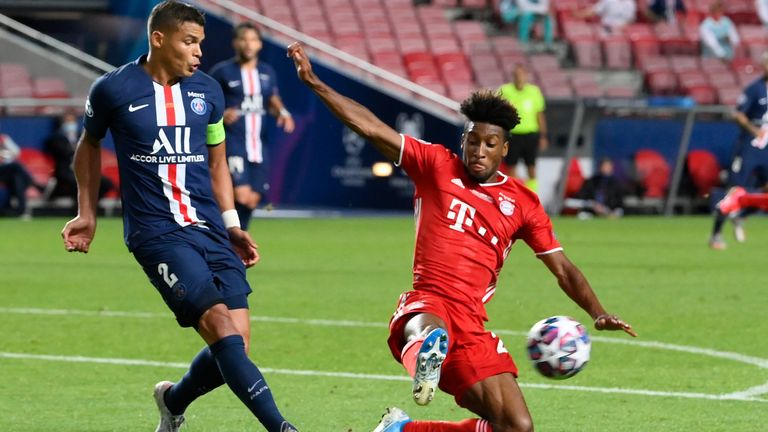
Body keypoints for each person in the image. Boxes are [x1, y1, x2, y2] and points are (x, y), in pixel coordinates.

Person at [288, 41, 636, 432]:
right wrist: (316, 83)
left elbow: (562, 268)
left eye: (490, 144)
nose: (479, 151)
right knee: (429, 329)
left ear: (504, 148)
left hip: (472, 323)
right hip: (429, 300)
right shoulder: (436, 165)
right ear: (463, 140)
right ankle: (426, 354)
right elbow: (370, 127)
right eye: (473, 140)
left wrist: (597, 311)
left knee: (516, 427)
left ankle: (400, 429)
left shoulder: (523, 203)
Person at [60, 2, 298, 431]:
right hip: (156, 232)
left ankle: (172, 401)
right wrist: (86, 212)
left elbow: (218, 162)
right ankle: (283, 427)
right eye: (189, 42)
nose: (198, 53)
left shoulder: (208, 90)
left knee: (237, 341)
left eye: (200, 44)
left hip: (209, 227)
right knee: (221, 328)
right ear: (159, 39)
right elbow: (89, 145)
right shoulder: (113, 89)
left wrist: (231, 224)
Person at [209, 22, 294, 231]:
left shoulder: (266, 72)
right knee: (241, 195)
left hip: (259, 145)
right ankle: (226, 237)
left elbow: (272, 99)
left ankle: (235, 241)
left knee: (252, 200)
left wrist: (282, 113)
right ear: (235, 43)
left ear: (260, 45)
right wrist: (220, 115)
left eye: (253, 40)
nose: (248, 44)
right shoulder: (222, 72)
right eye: (243, 39)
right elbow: (206, 102)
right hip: (233, 143)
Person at [709, 52, 768, 250]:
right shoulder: (755, 89)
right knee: (734, 190)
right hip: (749, 146)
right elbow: (739, 115)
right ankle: (716, 234)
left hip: (767, 147)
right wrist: (754, 130)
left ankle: (741, 215)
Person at [44, 112, 115, 205]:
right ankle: (79, 211)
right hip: (66, 173)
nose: (71, 124)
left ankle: (91, 206)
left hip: (83, 171)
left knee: (106, 183)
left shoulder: (81, 137)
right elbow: (63, 153)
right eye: (68, 121)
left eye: (72, 121)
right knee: (76, 183)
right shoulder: (56, 139)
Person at [498, 63, 547, 191]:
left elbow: (539, 114)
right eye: (516, 75)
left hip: (530, 135)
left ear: (526, 76)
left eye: (521, 75)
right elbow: (498, 112)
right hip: (512, 134)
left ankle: (533, 196)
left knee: (531, 166)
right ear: (513, 76)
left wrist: (543, 136)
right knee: (511, 167)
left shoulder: (534, 91)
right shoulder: (505, 91)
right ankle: (513, 195)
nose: (519, 78)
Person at [0, 132, 37, 217]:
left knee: (17, 178)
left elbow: (16, 152)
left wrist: (4, 143)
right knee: (16, 166)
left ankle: (21, 210)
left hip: (5, 173)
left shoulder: (3, 138)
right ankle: (34, 184)